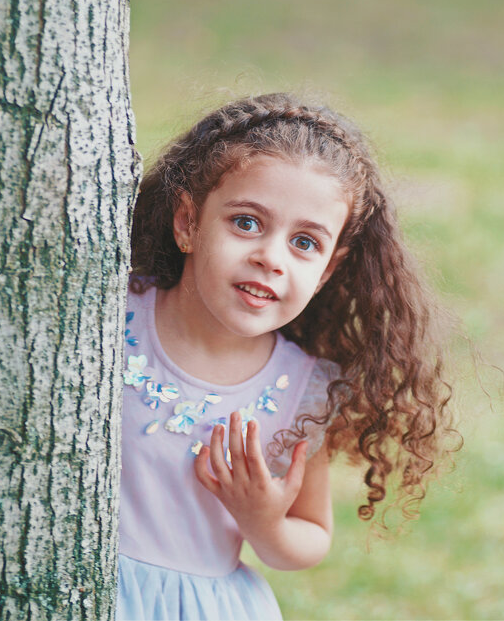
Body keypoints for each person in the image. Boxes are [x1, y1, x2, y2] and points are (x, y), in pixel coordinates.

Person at [117, 93, 457, 620]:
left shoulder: (302, 388)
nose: (270, 258)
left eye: (304, 242)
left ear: (327, 270)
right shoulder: (114, 316)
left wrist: (264, 522)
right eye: (247, 223)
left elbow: (311, 537)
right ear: (188, 223)